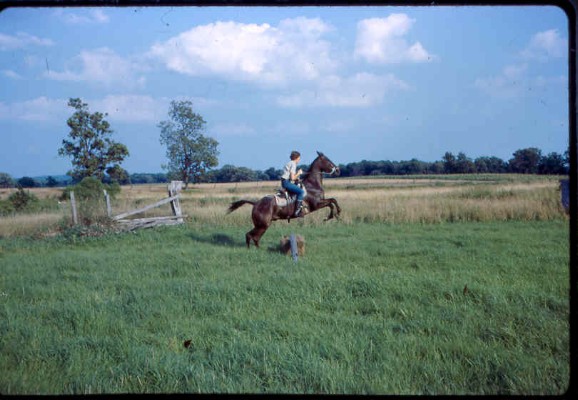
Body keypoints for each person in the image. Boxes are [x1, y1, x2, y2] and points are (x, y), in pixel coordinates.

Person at [281, 150, 306, 217]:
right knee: (301, 192)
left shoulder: (289, 163)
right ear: (296, 158)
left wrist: (297, 178)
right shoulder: (293, 164)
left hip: (285, 182)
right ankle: (297, 211)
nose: (299, 160)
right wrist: (299, 173)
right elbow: (292, 178)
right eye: (299, 158)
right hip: (287, 183)